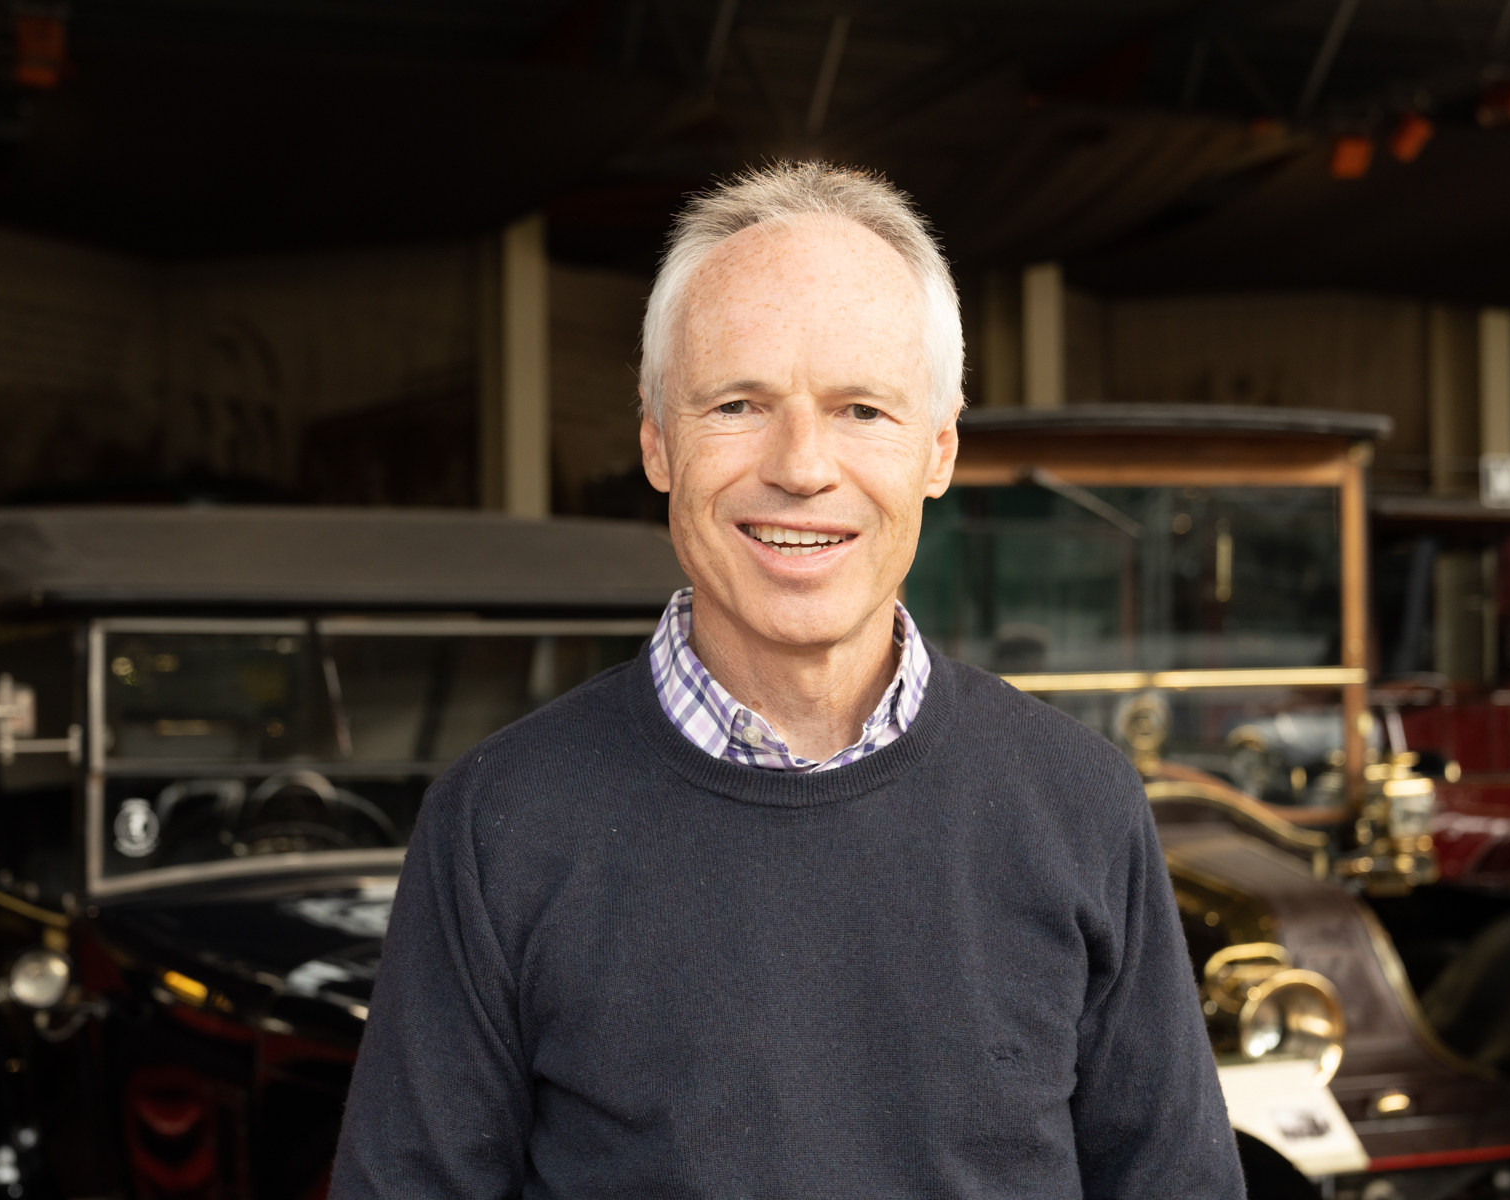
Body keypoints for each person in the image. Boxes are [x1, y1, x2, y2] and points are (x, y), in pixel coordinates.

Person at [329, 162, 1243, 1199]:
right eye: (737, 403)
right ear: (655, 440)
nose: (802, 465)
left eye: (862, 410)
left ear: (938, 449)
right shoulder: (500, 823)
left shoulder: (1080, 804)